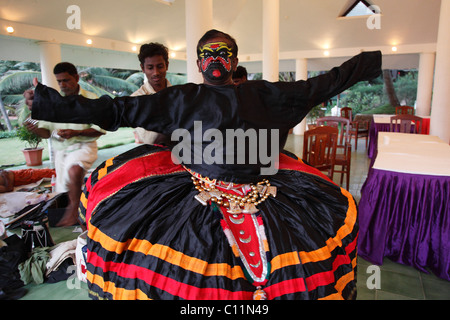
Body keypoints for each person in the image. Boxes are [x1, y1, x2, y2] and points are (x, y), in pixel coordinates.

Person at [25, 29, 382, 300]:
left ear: (234, 60)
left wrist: (367, 62)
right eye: (207, 55)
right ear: (198, 63)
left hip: (266, 191)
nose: (215, 60)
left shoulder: (266, 95)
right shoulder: (182, 98)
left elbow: (326, 83)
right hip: (195, 190)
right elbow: (114, 110)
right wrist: (51, 105)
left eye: (222, 53)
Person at [23, 62, 105, 227]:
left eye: (66, 80)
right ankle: (86, 211)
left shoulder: (91, 99)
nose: (62, 84)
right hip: (61, 150)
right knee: (65, 189)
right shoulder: (54, 102)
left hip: (84, 145)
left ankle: (73, 212)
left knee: (75, 171)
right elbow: (46, 132)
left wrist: (77, 132)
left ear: (76, 77)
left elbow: (101, 129)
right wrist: (35, 129)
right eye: (59, 81)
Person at [131, 43, 172, 145]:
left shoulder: (179, 94)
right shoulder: (136, 100)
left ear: (167, 65)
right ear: (143, 68)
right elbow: (150, 140)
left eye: (160, 66)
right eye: (150, 68)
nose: (156, 72)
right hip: (154, 155)